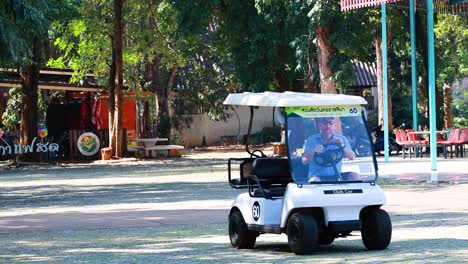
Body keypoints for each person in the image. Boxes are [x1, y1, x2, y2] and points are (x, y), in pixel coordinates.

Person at [301, 117, 358, 182]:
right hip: (318, 177)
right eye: (325, 123)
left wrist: (342, 146)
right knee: (314, 180)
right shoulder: (311, 140)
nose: (327, 126)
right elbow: (304, 161)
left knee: (354, 175)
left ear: (334, 125)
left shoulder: (342, 139)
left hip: (337, 176)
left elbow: (352, 157)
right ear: (320, 125)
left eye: (330, 123)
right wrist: (314, 151)